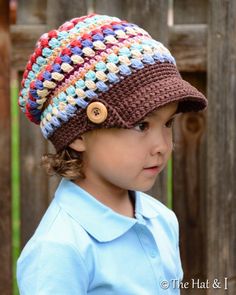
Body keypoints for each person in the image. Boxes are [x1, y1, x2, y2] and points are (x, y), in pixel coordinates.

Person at [17, 13, 207, 294]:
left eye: (167, 123)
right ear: (80, 135)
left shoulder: (161, 219)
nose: (163, 146)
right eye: (142, 124)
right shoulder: (59, 250)